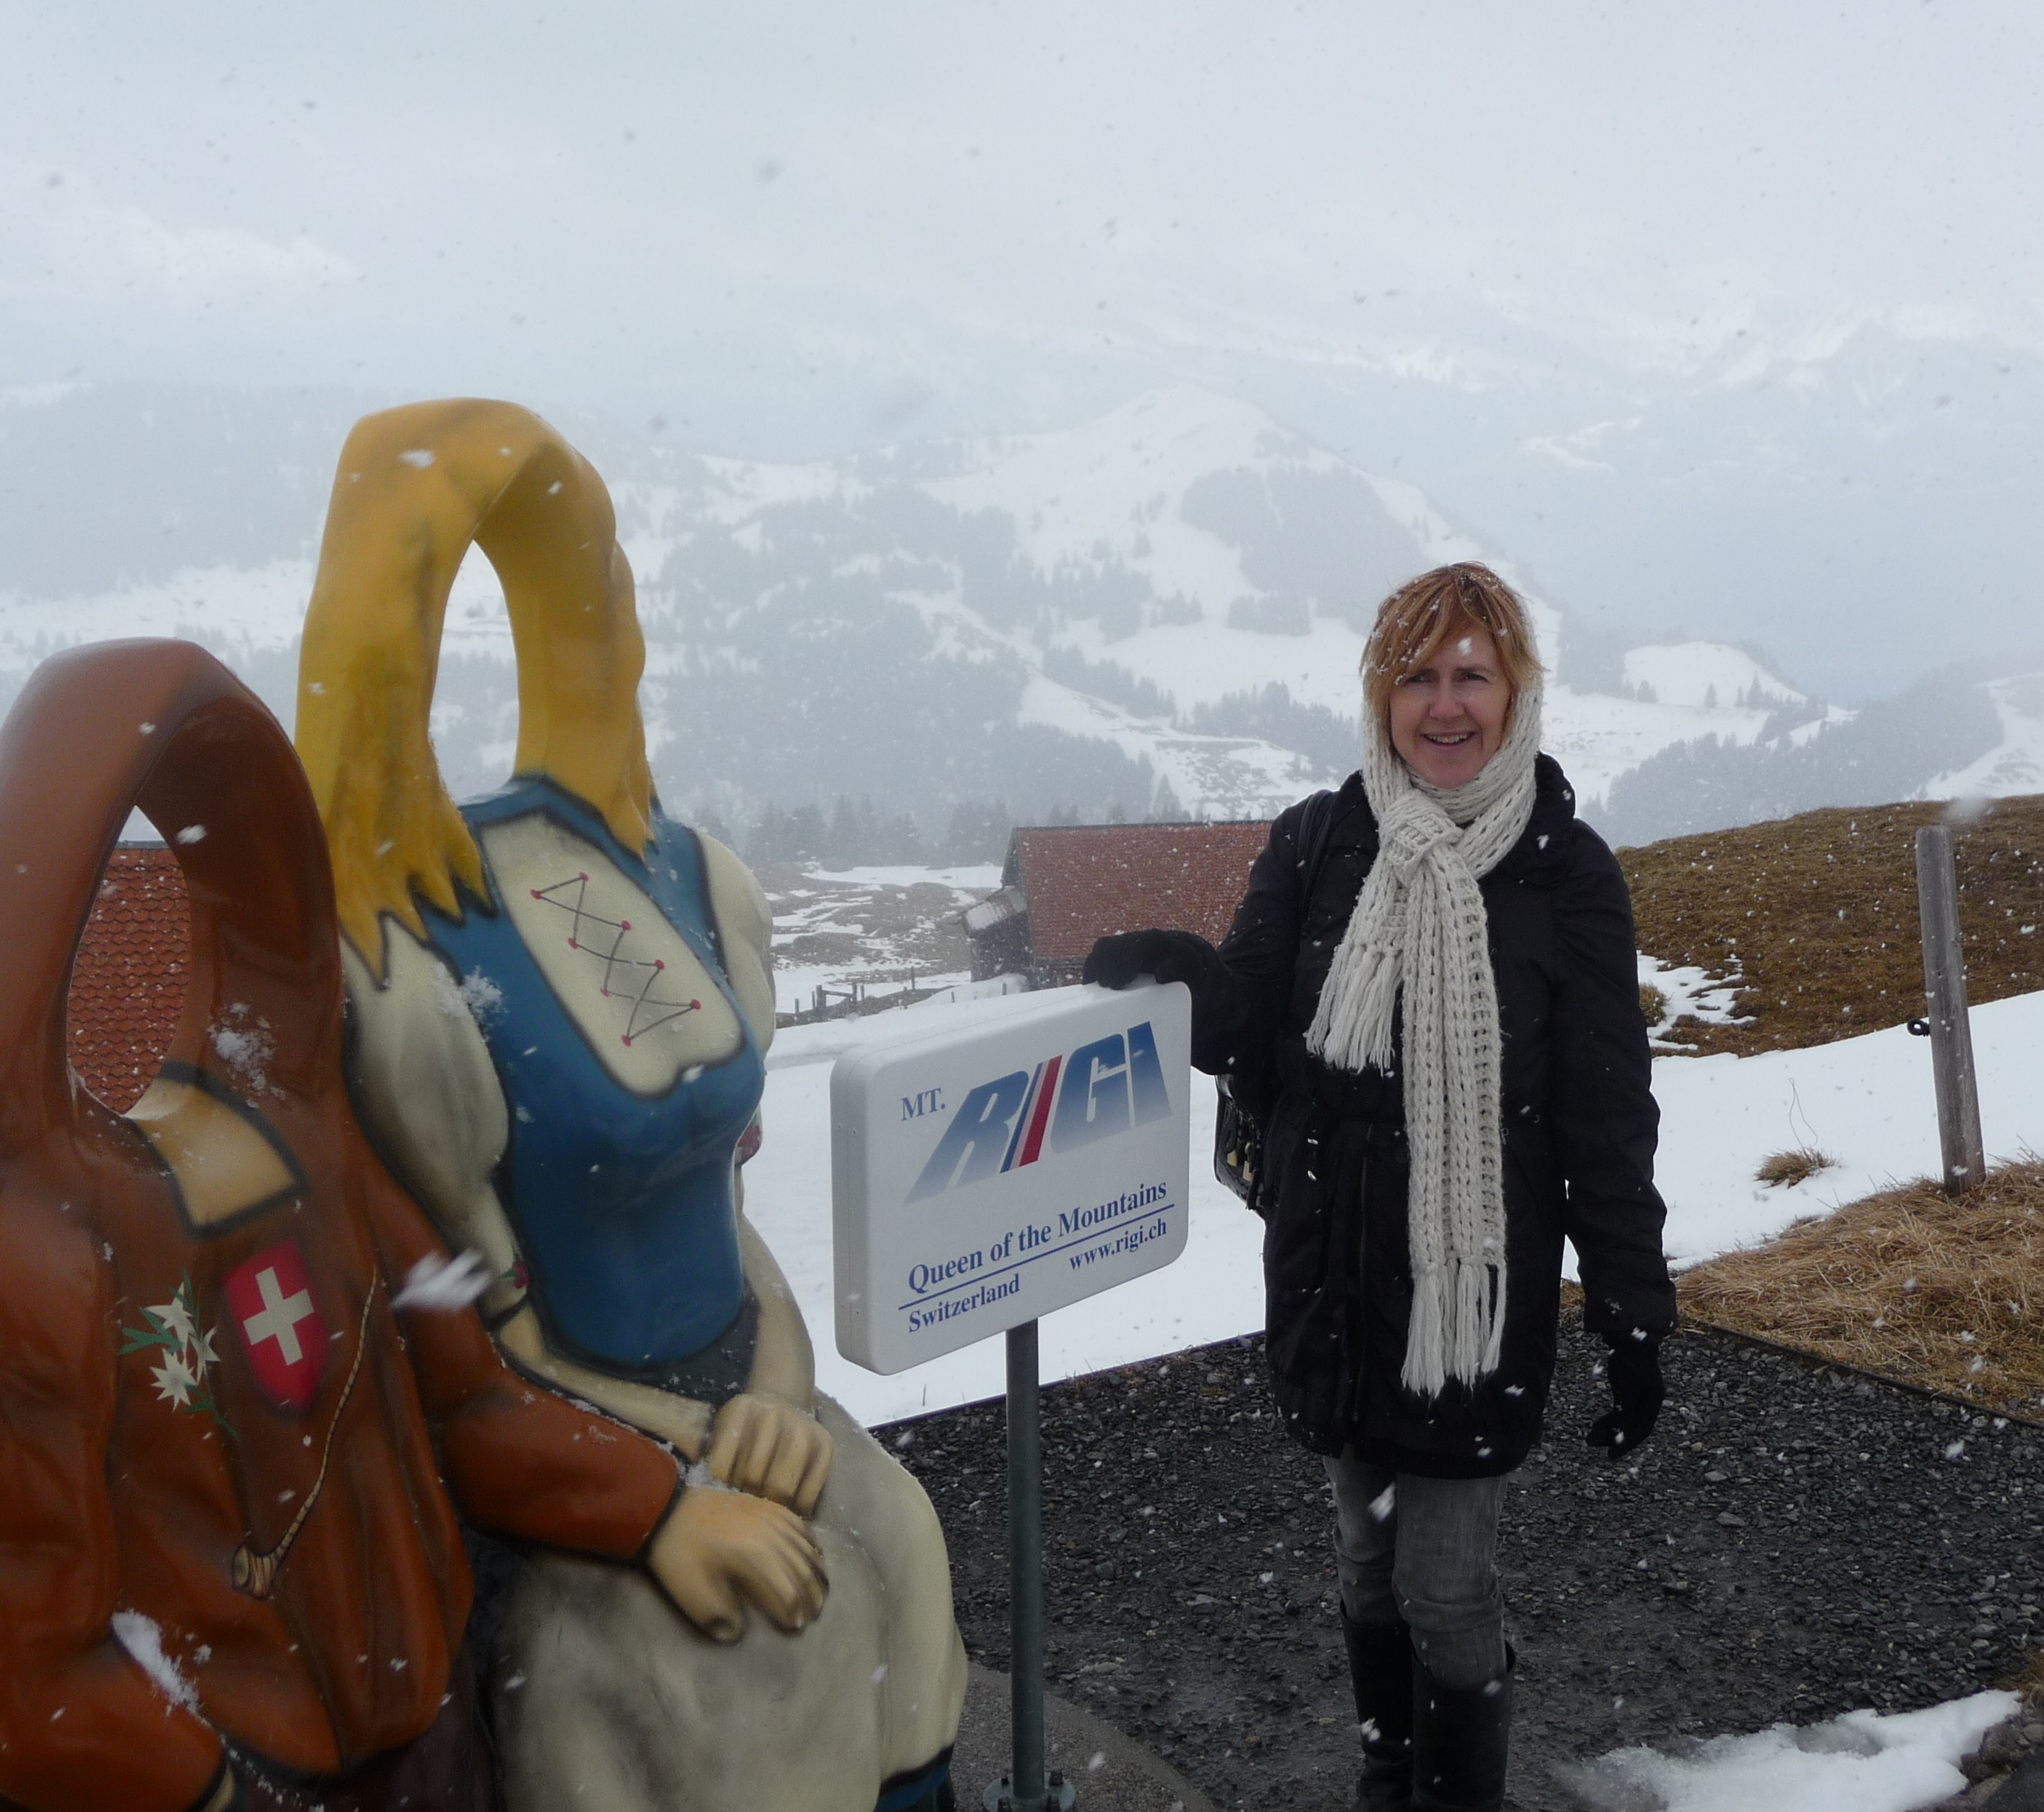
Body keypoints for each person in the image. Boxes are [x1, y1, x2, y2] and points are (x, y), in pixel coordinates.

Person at [0, 639, 823, 1812]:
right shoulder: (42, 1269)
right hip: (244, 1776)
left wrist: (660, 1513)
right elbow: (37, 1681)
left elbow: (472, 1405)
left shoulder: (312, 1153)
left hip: (431, 1743)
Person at [292, 400, 964, 1812]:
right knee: (727, 1674)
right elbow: (478, 1341)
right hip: (579, 1452)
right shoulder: (406, 981)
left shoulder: (698, 878)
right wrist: (672, 1469)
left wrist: (772, 1391)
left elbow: (728, 1208)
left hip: (747, 1394)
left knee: (903, 1545)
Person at [1088, 562, 1676, 1812]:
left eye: (1472, 674)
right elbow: (1251, 1024)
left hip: (1468, 1291)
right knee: (1364, 1561)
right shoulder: (1319, 839)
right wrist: (1182, 971)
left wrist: (1633, 1311)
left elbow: (1603, 1115)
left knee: (1444, 1589)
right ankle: (1388, 1768)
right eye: (1417, 676)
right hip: (1336, 1275)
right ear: (1380, 694)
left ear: (1517, 691)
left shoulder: (1567, 872)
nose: (1444, 705)